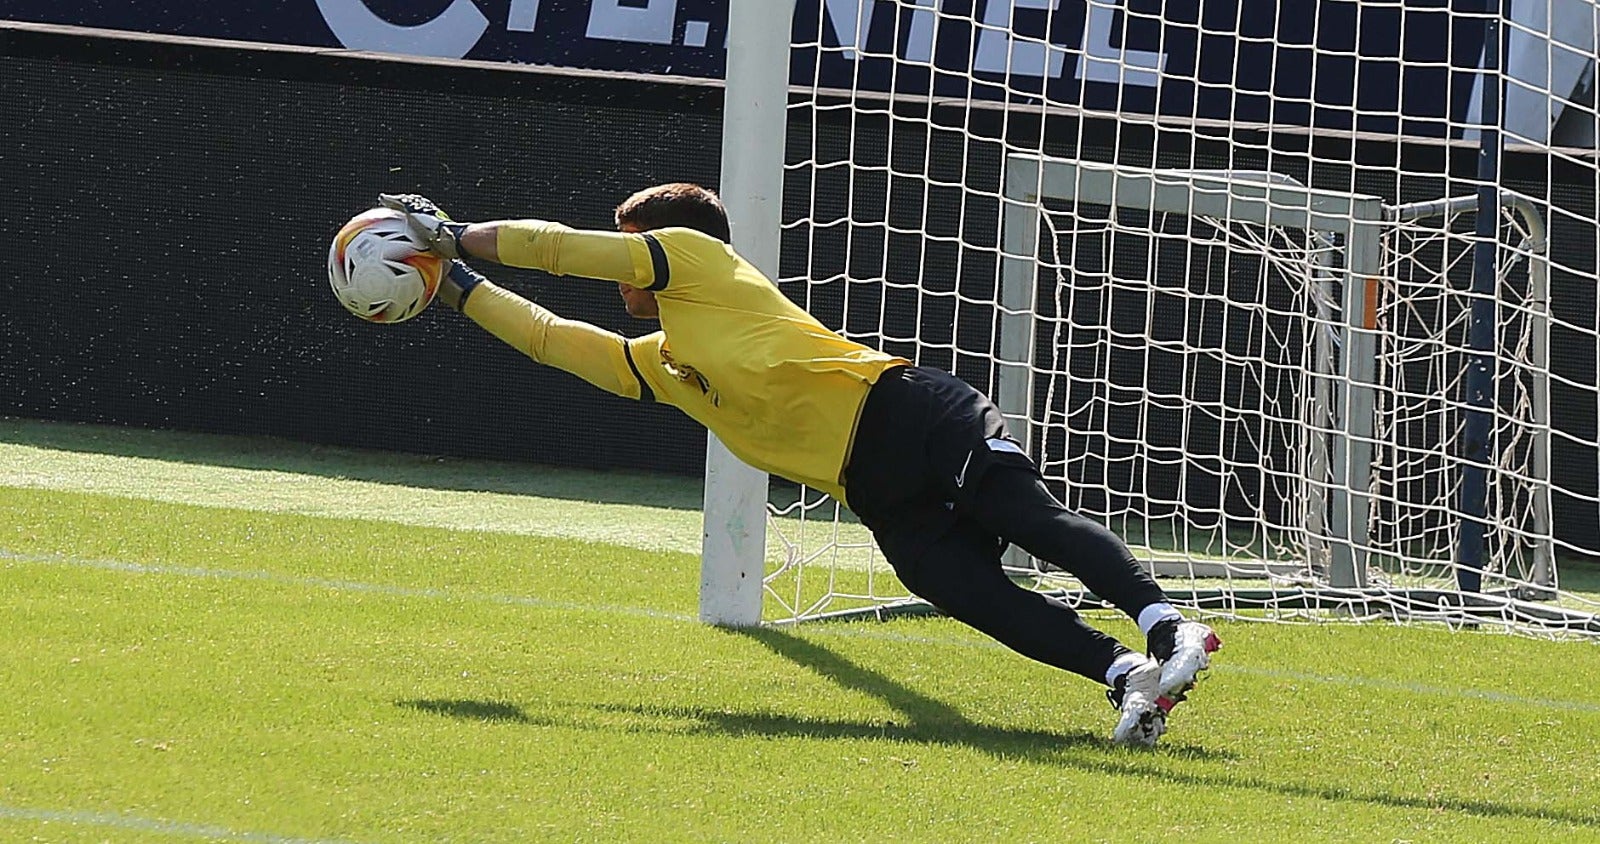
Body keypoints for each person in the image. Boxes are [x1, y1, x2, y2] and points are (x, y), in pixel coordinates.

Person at [376, 184, 1221, 746]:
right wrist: (451, 283)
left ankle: (1167, 627)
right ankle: (1125, 676)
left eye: (627, 246)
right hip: (874, 487)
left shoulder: (698, 259)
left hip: (909, 411)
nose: (618, 267)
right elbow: (550, 338)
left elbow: (563, 250)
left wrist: (455, 234)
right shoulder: (665, 361)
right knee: (961, 589)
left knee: (1023, 515)